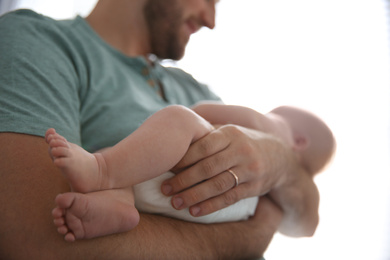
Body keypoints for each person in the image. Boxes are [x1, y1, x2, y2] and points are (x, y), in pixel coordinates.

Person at [0, 0, 321, 259]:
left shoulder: (201, 93)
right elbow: (37, 241)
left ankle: (106, 175)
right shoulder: (38, 43)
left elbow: (306, 223)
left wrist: (278, 160)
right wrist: (249, 239)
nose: (211, 20)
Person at [45, 103, 335, 242]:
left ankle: (101, 171)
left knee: (179, 118)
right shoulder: (270, 191)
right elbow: (303, 228)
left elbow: (205, 112)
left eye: (277, 112)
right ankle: (120, 205)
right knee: (131, 173)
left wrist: (187, 118)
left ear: (298, 141)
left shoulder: (272, 131)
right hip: (218, 213)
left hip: (184, 174)